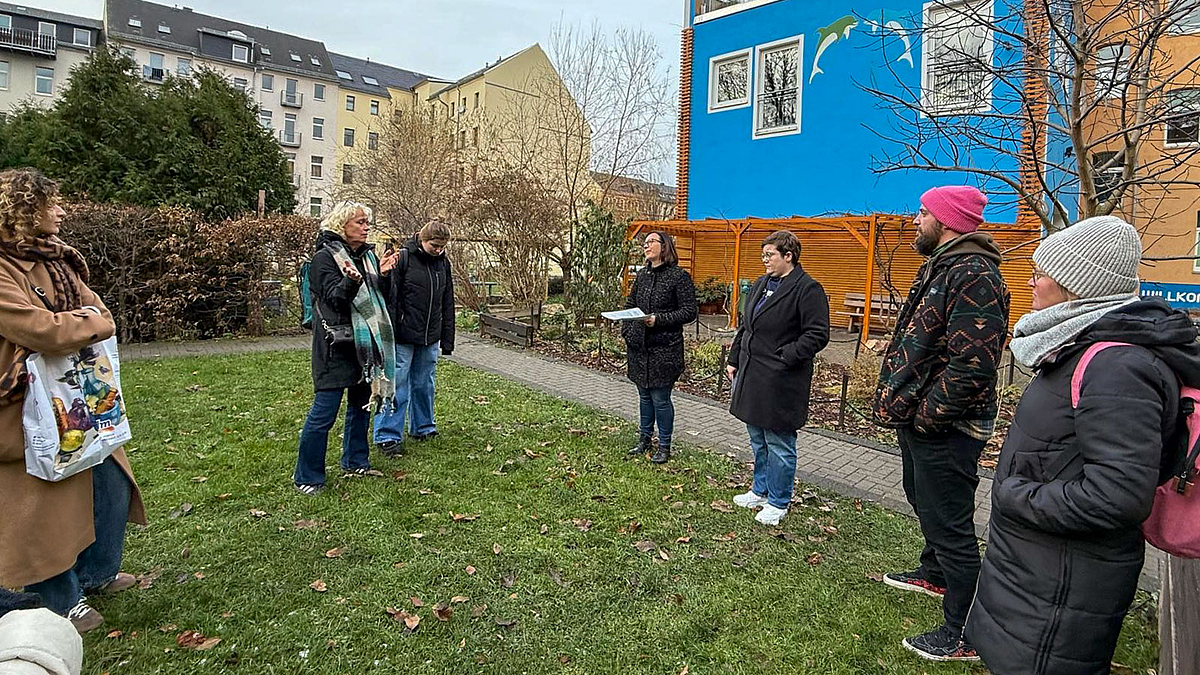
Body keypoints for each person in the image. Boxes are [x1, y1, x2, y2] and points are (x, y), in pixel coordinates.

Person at [965, 216, 1200, 674]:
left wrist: (1016, 495)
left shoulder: (1117, 366)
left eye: (1042, 270)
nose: (1031, 280)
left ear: (1077, 284)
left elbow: (1116, 497)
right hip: (1039, 569)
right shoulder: (1077, 343)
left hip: (1064, 584)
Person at [0, 168, 146, 633]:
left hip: (78, 391)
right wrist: (80, 323)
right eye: (51, 204)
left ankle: (97, 572)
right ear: (25, 210)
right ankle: (59, 600)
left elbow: (98, 313)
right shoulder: (3, 268)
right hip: (26, 405)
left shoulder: (59, 259)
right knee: (44, 509)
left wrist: (78, 322)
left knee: (112, 482)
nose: (61, 211)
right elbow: (37, 328)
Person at [871, 185, 1009, 661]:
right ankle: (934, 574)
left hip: (947, 427)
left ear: (946, 220)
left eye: (922, 213)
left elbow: (973, 364)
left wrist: (928, 417)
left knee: (950, 524)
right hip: (923, 420)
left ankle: (965, 631)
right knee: (924, 502)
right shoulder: (944, 265)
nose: (916, 220)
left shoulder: (975, 274)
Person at [726, 230, 829, 526]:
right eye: (763, 255)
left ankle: (779, 501)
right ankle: (760, 490)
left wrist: (786, 356)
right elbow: (747, 326)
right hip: (751, 373)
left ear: (789, 256)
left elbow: (817, 334)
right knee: (758, 438)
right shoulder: (761, 283)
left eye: (770, 255)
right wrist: (734, 359)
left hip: (782, 379)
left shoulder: (807, 289)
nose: (765, 260)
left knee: (779, 443)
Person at [294, 201, 396, 495]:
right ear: (342, 225)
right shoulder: (324, 259)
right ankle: (308, 476)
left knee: (360, 408)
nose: (366, 228)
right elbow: (334, 299)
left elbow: (382, 299)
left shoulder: (368, 257)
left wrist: (385, 276)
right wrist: (351, 282)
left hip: (365, 348)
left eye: (367, 223)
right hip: (335, 346)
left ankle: (355, 461)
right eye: (360, 223)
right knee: (324, 413)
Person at [372, 219, 455, 456]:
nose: (438, 250)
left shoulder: (443, 264)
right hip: (403, 334)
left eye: (442, 246)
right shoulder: (404, 258)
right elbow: (389, 294)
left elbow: (447, 301)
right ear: (422, 240)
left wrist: (447, 339)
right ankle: (387, 434)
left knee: (424, 384)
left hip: (430, 336)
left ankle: (423, 427)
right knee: (396, 385)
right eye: (434, 245)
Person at [621, 231, 698, 464]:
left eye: (651, 241)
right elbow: (630, 304)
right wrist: (626, 329)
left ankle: (664, 445)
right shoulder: (642, 275)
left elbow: (689, 311)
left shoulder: (678, 277)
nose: (646, 245)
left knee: (660, 398)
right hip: (639, 347)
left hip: (664, 349)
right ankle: (644, 439)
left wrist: (658, 320)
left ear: (665, 246)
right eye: (644, 243)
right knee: (644, 396)